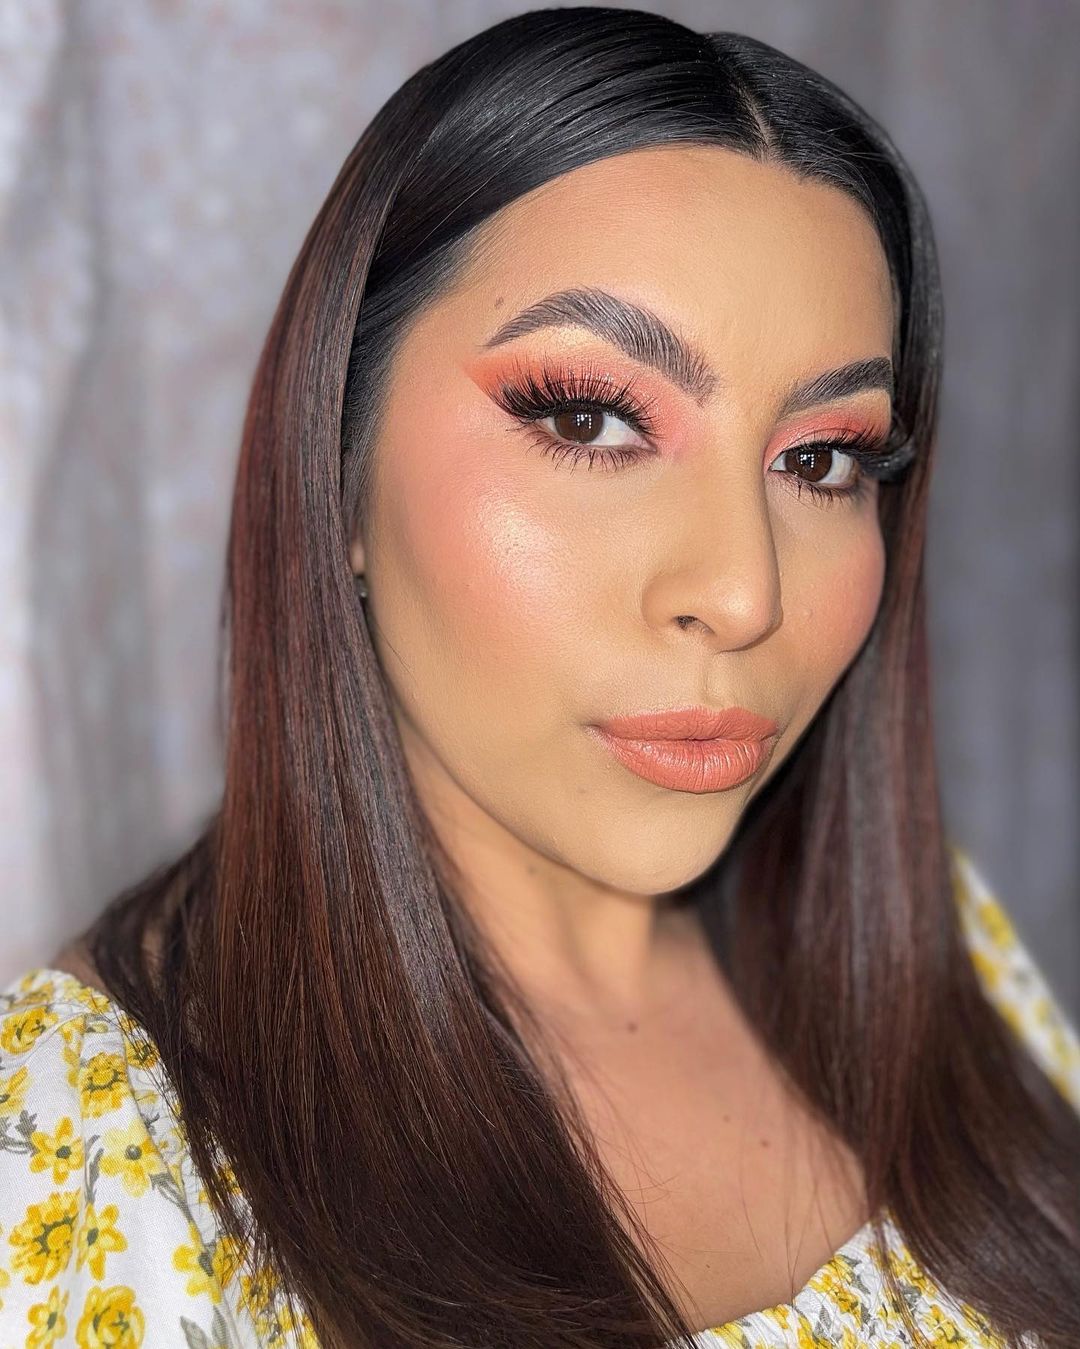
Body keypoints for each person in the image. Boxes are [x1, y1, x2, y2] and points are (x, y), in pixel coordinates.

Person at [2, 8, 1078, 1347]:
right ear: (335, 466)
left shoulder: (926, 953)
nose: (743, 591)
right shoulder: (92, 1157)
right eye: (588, 418)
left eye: (822, 460)